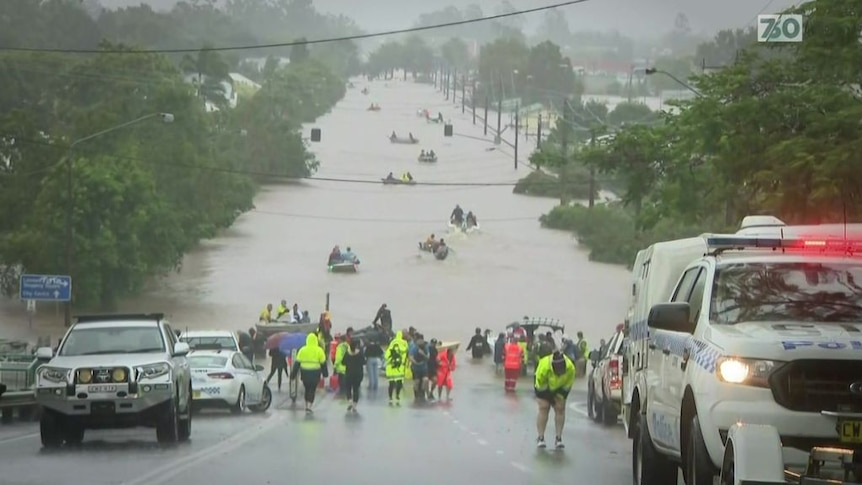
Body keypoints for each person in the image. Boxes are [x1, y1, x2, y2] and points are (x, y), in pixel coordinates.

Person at [534, 351, 575, 449]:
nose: (560, 373)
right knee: (544, 407)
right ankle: (541, 437)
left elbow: (568, 385)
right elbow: (540, 386)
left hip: (559, 388)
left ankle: (558, 438)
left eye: (562, 371)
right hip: (544, 388)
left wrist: (560, 397)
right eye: (558, 372)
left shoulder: (570, 368)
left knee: (560, 408)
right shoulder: (544, 367)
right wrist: (549, 397)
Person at [292, 332, 328, 414]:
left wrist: (293, 375)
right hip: (315, 373)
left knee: (307, 389)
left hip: (305, 373)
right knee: (312, 389)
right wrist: (325, 374)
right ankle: (309, 406)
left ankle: (306, 404)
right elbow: (323, 363)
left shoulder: (302, 350)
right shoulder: (319, 350)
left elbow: (296, 364)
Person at [385, 331, 409, 405]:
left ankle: (390, 397)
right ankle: (397, 395)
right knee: (399, 382)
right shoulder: (405, 343)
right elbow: (407, 353)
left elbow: (386, 355)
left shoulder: (392, 343)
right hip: (400, 366)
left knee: (391, 383)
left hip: (391, 366)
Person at [342, 339, 366, 412]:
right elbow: (364, 362)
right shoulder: (360, 354)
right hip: (358, 374)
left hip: (349, 374)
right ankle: (354, 406)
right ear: (356, 346)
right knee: (356, 389)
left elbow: (343, 362)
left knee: (348, 389)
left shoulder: (347, 354)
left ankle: (350, 402)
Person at [409, 333, 430, 402]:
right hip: (416, 368)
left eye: (422, 340)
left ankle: (422, 393)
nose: (421, 342)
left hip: (424, 367)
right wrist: (416, 363)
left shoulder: (425, 347)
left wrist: (423, 354)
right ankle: (416, 395)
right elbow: (410, 357)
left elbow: (428, 357)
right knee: (416, 382)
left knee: (425, 380)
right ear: (417, 341)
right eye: (419, 340)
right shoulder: (413, 347)